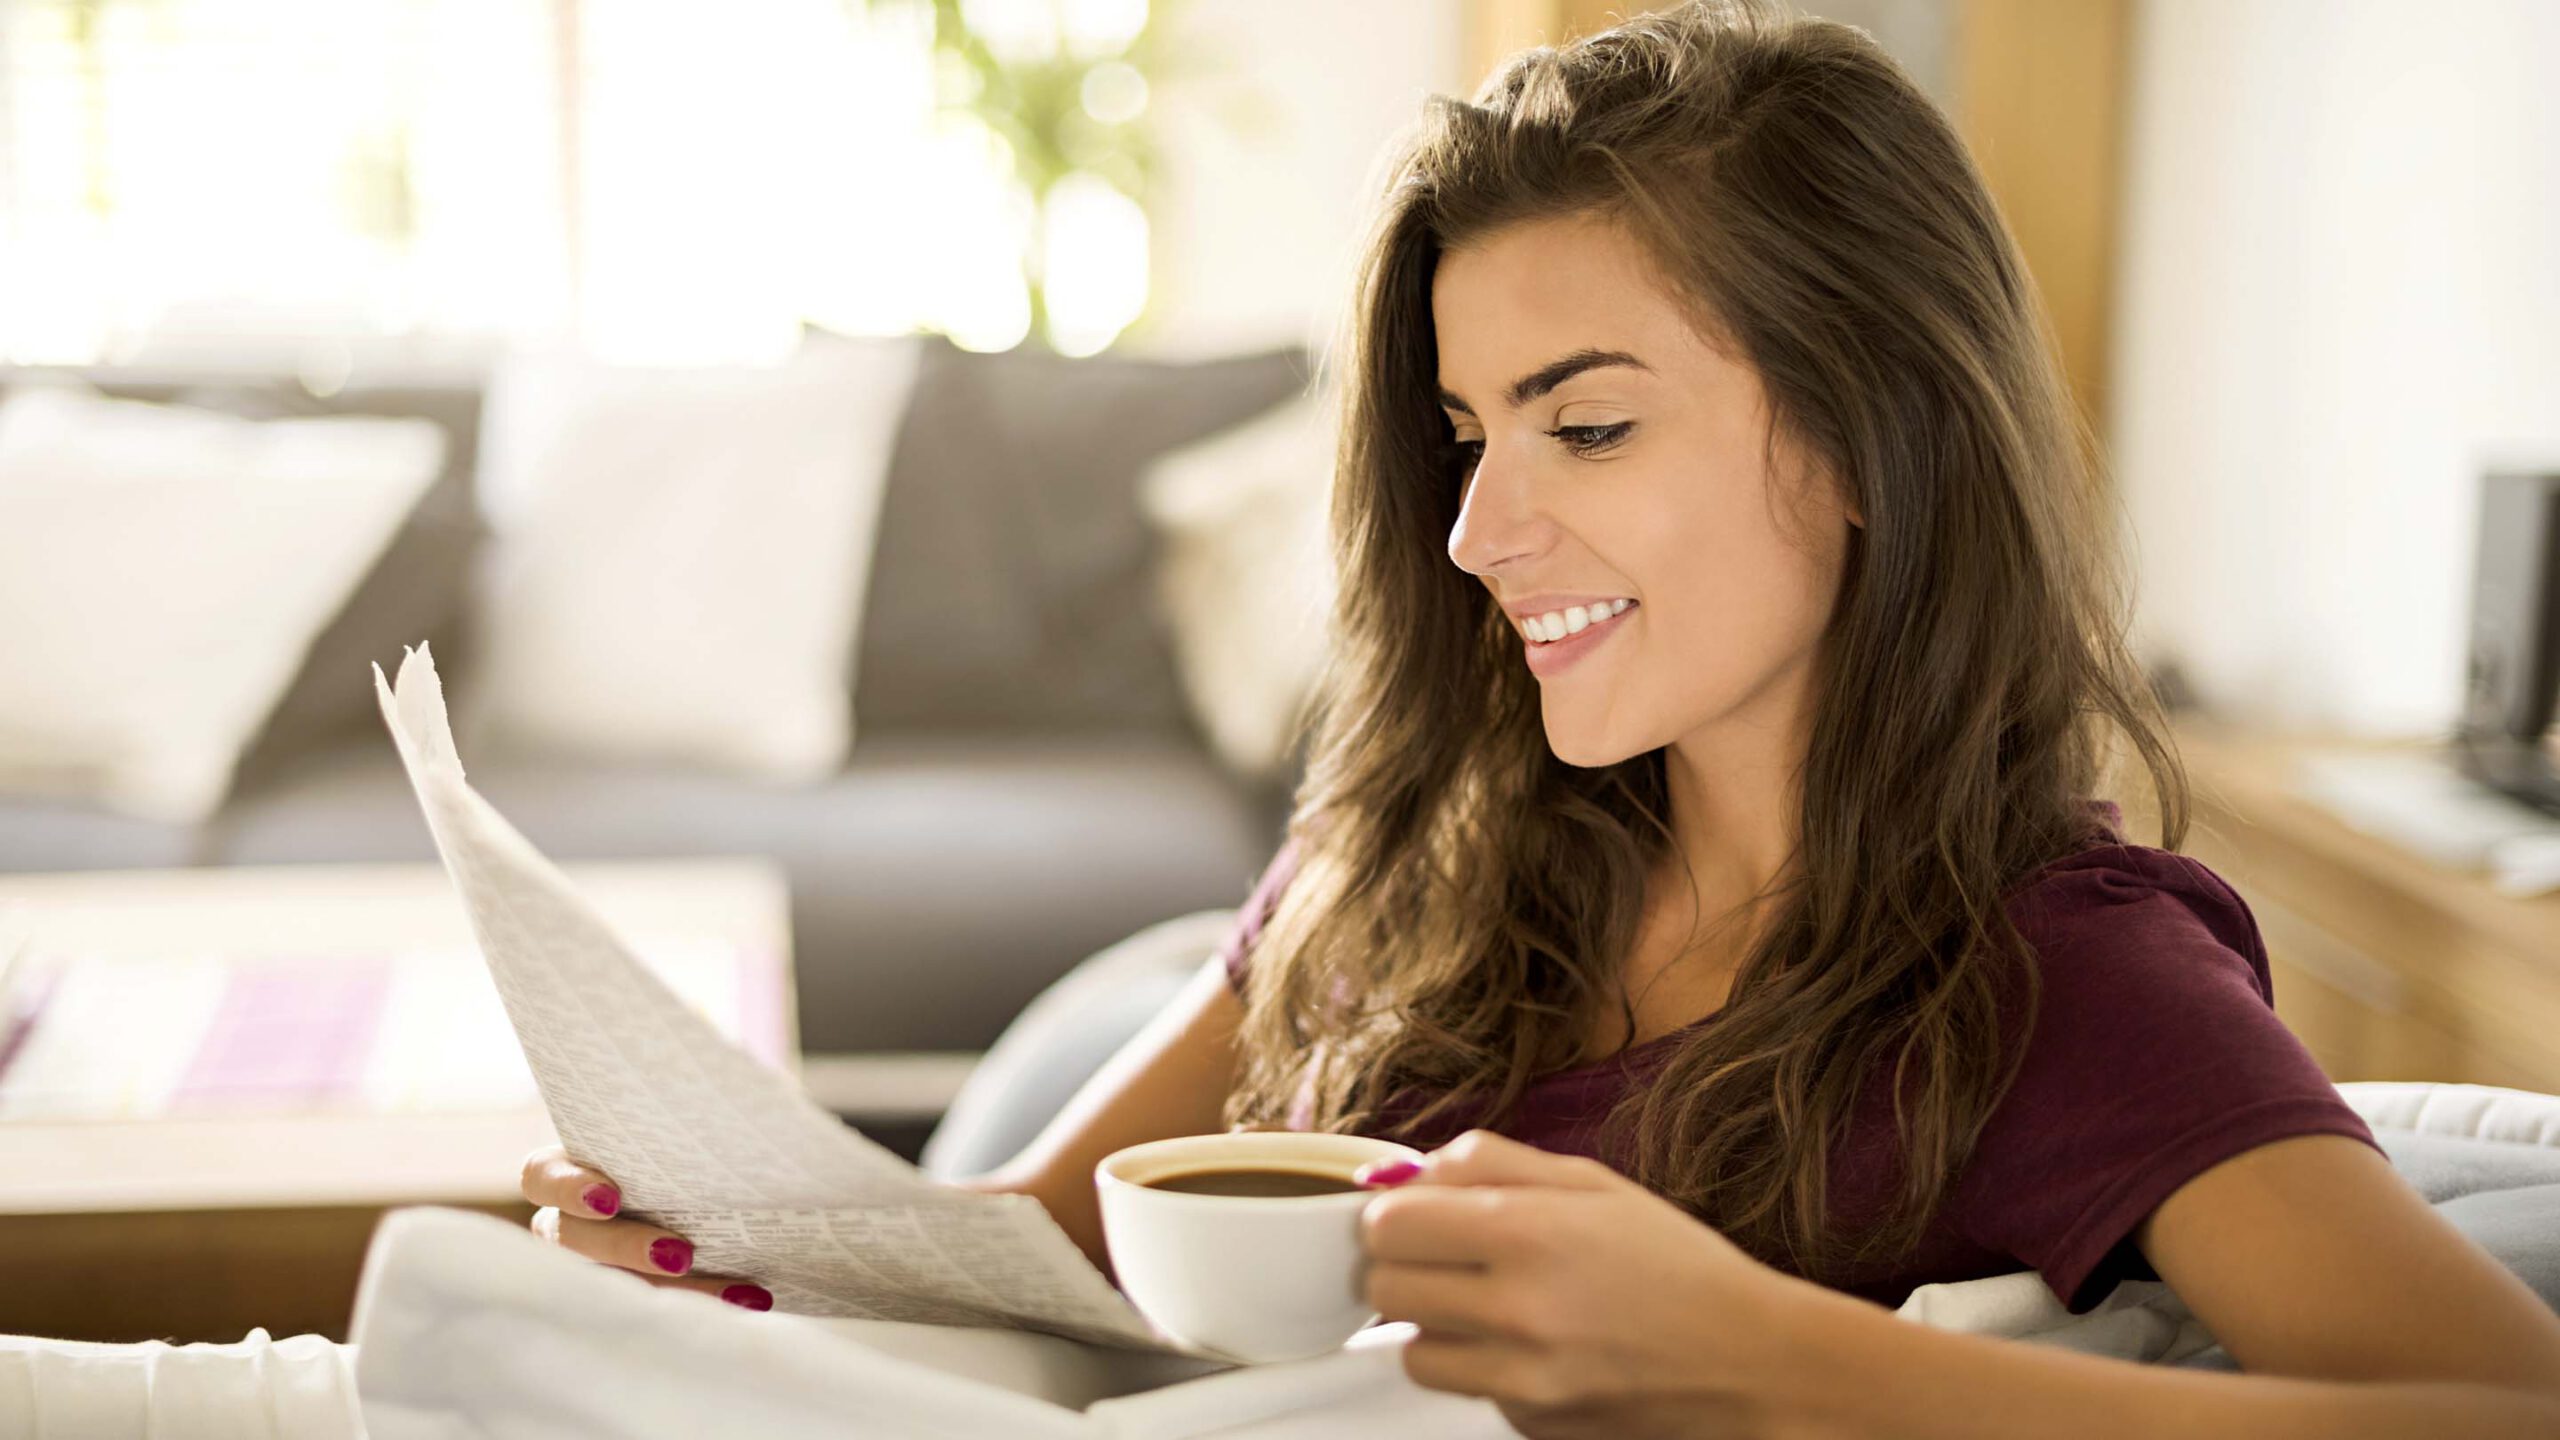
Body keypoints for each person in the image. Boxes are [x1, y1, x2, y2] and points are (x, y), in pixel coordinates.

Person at [520, 1, 2560, 1434]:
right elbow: (1036, 1246)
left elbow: (2490, 1401)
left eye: (1584, 422)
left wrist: (1767, 1365)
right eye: (1466, 432)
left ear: (1868, 441)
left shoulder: (2051, 974)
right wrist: (732, 1236)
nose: (1484, 527)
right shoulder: (1419, 835)